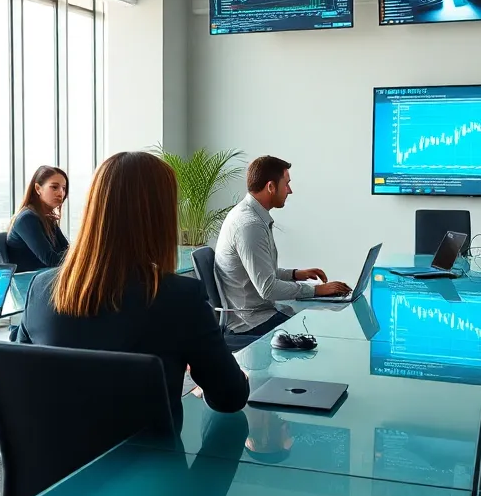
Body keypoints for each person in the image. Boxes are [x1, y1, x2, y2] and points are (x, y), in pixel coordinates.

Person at [18, 151, 249, 425]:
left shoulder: (41, 289)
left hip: (59, 465)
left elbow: (22, 381)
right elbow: (229, 398)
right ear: (159, 216)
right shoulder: (180, 298)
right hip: (151, 464)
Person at [214, 155, 349, 338]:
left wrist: (295, 274)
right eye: (286, 184)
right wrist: (317, 290)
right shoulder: (250, 225)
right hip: (251, 323)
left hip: (260, 313)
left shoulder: (252, 216)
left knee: (318, 316)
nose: (290, 190)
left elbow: (261, 273)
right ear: (270, 187)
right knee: (321, 331)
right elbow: (268, 288)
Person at [6, 166, 70, 272]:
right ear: (38, 188)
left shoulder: (47, 218)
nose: (61, 193)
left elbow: (65, 249)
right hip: (31, 281)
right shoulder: (26, 219)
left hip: (46, 276)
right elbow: (51, 260)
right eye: (54, 187)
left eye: (63, 188)